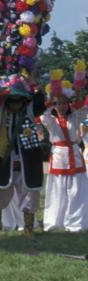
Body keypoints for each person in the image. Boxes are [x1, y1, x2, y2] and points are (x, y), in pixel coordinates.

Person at [0, 87, 44, 239]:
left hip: (27, 163)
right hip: (3, 163)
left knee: (30, 194)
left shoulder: (29, 112)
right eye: (12, 101)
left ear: (24, 101)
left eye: (19, 101)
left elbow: (40, 103)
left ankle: (28, 228)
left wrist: (32, 84)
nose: (16, 105)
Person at [40, 90, 88, 232]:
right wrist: (51, 96)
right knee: (57, 190)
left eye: (64, 103)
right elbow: (44, 114)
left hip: (74, 153)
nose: (61, 106)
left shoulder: (75, 117)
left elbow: (82, 110)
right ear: (54, 105)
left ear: (68, 104)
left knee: (76, 191)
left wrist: (78, 92)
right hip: (59, 156)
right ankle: (55, 221)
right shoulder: (50, 120)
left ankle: (75, 222)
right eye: (58, 103)